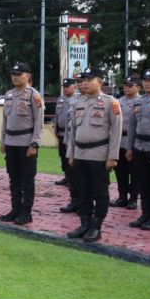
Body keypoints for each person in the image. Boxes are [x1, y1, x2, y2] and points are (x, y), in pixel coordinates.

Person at [65, 67, 122, 242]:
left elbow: (116, 130)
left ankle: (96, 226)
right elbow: (73, 131)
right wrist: (71, 153)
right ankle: (85, 223)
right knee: (83, 191)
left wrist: (113, 156)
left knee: (100, 192)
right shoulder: (78, 102)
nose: (85, 83)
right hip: (80, 154)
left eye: (89, 79)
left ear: (100, 82)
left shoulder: (110, 102)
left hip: (99, 154)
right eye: (83, 80)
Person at [0, 62, 44, 226]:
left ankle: (26, 212)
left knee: (27, 180)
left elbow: (39, 122)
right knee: (13, 178)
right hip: (11, 141)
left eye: (19, 74)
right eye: (13, 74)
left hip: (26, 143)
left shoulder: (34, 95)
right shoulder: (9, 95)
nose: (15, 77)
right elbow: (5, 120)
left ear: (28, 76)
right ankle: (15, 208)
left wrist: (35, 144)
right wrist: (3, 139)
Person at [126, 69, 150, 230]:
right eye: (145, 80)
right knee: (143, 183)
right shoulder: (138, 101)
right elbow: (132, 126)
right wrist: (129, 147)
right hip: (139, 147)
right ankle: (145, 214)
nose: (147, 83)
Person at [112, 74, 141, 209]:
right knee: (120, 171)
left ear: (138, 87)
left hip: (134, 141)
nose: (127, 88)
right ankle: (122, 196)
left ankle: (133, 199)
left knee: (134, 172)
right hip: (119, 140)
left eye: (130, 85)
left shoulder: (141, 101)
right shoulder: (118, 101)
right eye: (125, 85)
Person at [55, 78, 82, 213]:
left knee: (82, 175)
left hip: (85, 145)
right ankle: (74, 201)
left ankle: (84, 204)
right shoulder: (64, 100)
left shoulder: (78, 100)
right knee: (71, 172)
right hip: (68, 140)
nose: (65, 89)